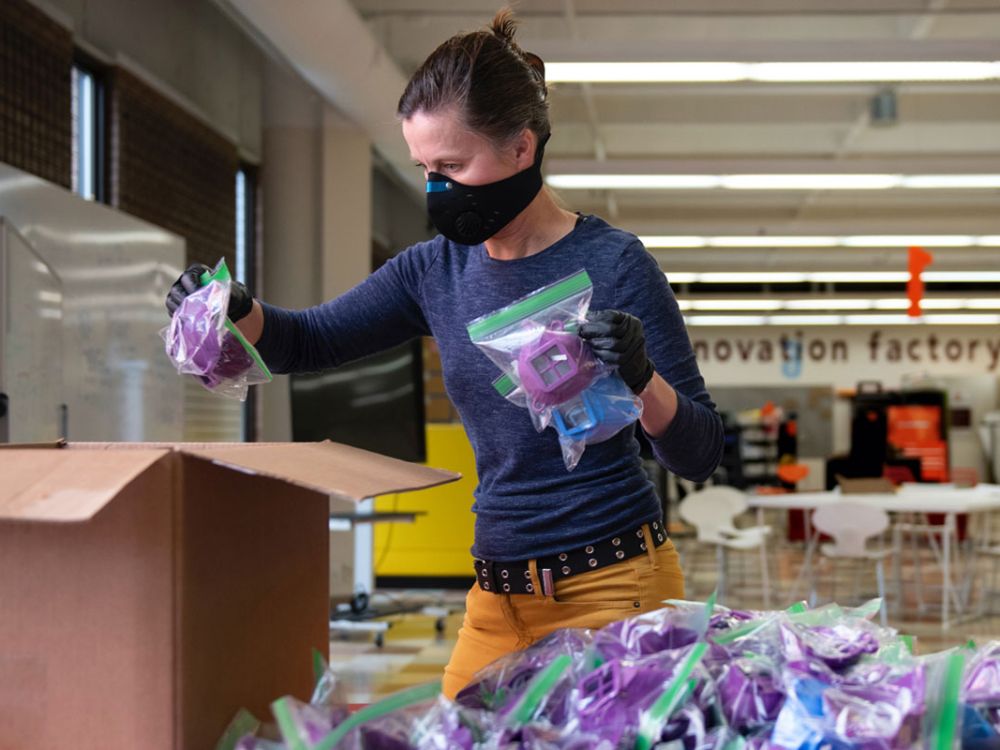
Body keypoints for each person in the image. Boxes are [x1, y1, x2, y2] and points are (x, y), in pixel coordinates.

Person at [165, 8, 724, 699]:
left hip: (614, 590)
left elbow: (700, 453)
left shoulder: (615, 265)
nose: (436, 189)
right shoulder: (433, 272)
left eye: (452, 166)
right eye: (425, 168)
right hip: (494, 603)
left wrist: (643, 378)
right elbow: (300, 342)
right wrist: (231, 307)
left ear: (523, 148)